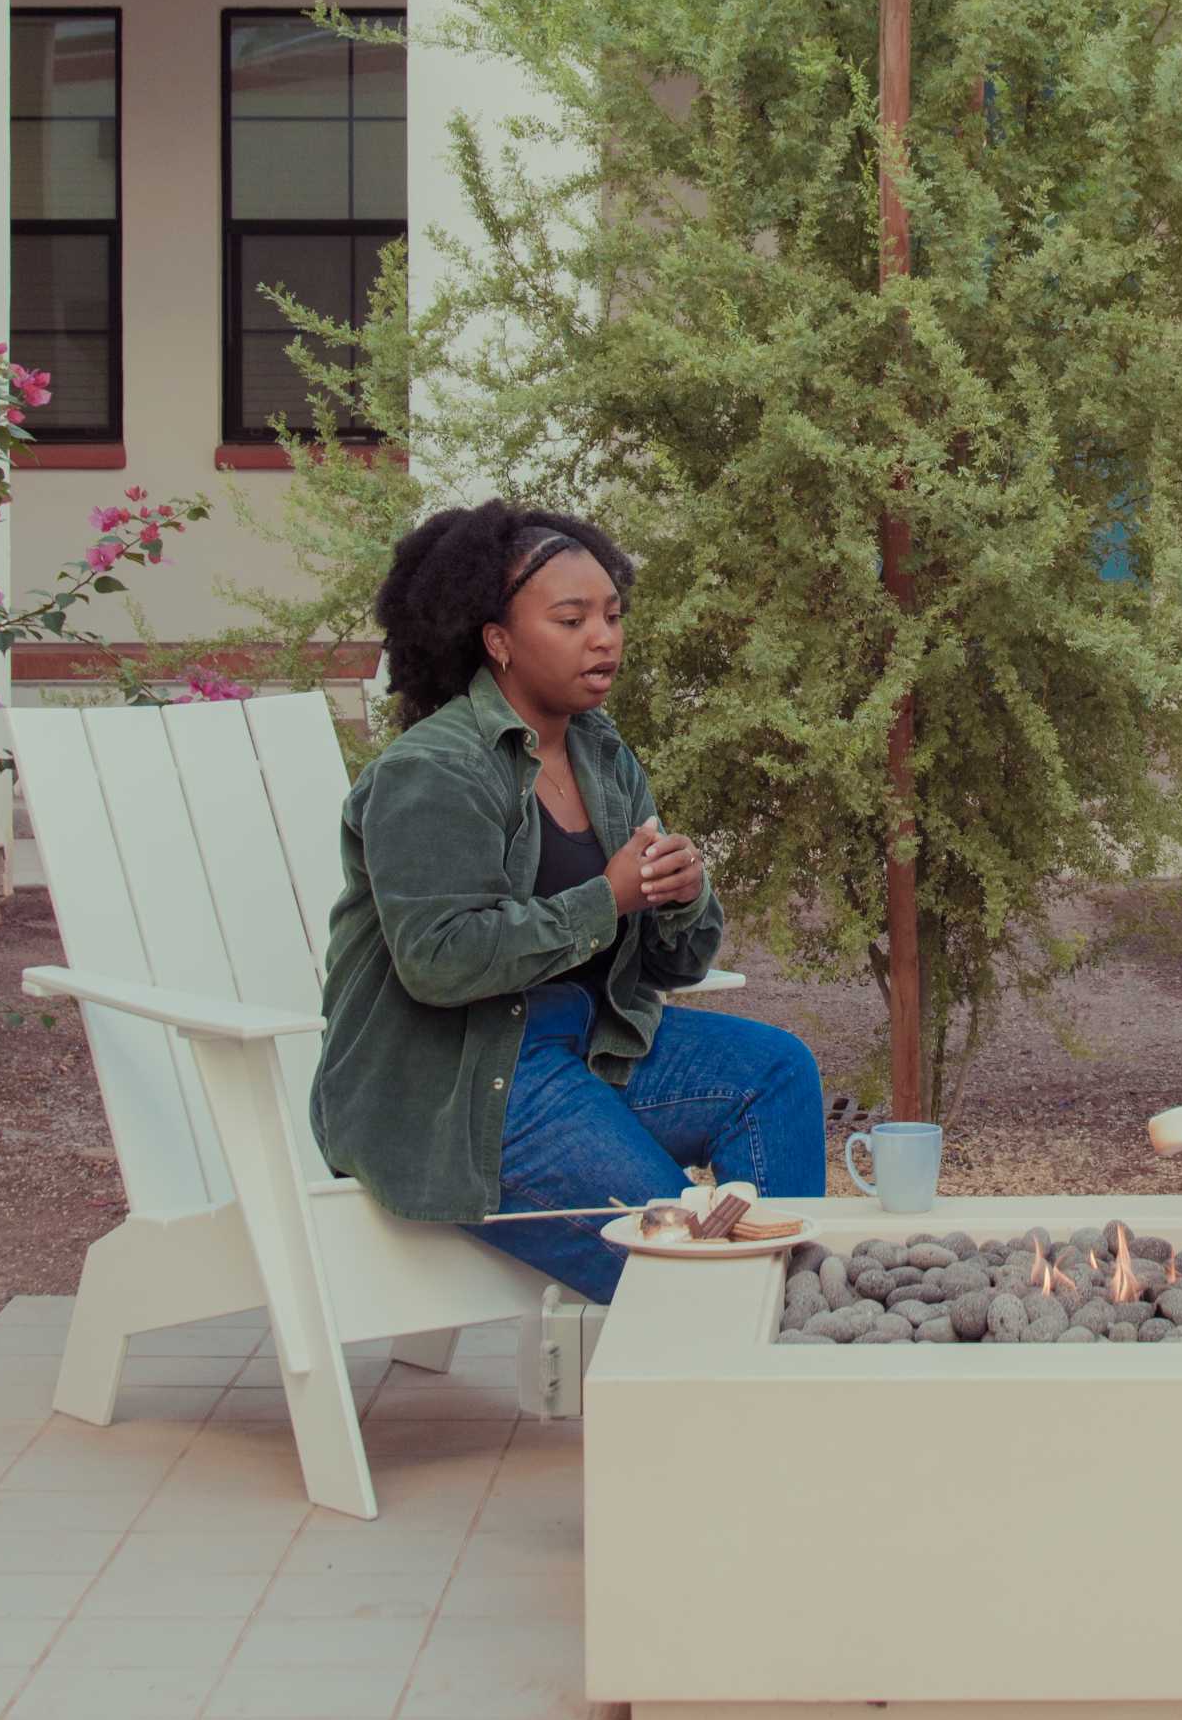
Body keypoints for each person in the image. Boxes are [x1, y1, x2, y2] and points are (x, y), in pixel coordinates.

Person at [312, 499, 825, 1298]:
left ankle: (782, 1316)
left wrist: (682, 895)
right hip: (467, 1082)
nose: (604, 637)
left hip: (587, 1043)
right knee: (682, 1251)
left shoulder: (600, 751)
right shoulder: (433, 772)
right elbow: (440, 962)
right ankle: (751, 1328)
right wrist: (606, 898)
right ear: (499, 641)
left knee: (774, 1072)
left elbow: (672, 965)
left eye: (613, 615)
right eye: (571, 618)